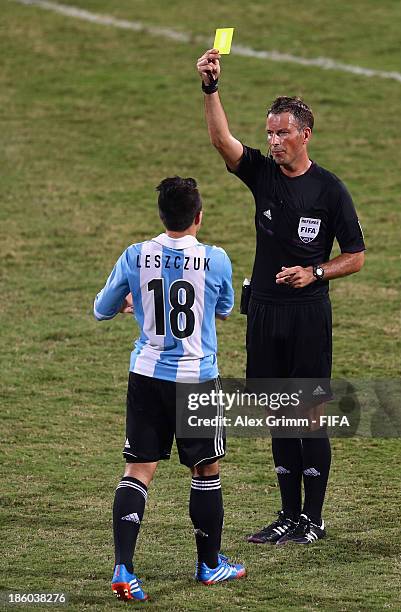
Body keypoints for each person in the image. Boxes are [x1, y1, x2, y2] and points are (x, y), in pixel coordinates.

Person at [196, 49, 365, 546]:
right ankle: (288, 515)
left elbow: (355, 255)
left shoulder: (330, 190)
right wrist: (211, 89)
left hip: (308, 316)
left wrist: (315, 272)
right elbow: (222, 142)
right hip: (265, 313)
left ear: (304, 134)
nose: (273, 141)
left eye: (282, 133)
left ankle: (313, 519)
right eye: (269, 133)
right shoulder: (263, 175)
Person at [93, 177, 245, 602]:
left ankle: (124, 566)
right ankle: (210, 565)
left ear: (161, 216)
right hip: (196, 378)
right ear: (199, 217)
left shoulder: (136, 255)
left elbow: (101, 309)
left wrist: (131, 304)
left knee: (138, 470)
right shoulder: (216, 259)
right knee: (205, 470)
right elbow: (224, 309)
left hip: (146, 376)